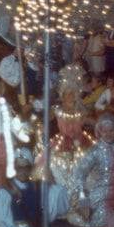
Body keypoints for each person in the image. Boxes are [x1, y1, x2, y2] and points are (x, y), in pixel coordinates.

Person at [46, 65, 93, 207]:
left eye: (73, 93)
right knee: (56, 163)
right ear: (63, 95)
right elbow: (45, 120)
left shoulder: (81, 110)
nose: (71, 96)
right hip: (62, 141)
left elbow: (92, 120)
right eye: (68, 93)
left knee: (84, 164)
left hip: (81, 141)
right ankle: (66, 199)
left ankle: (79, 198)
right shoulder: (57, 109)